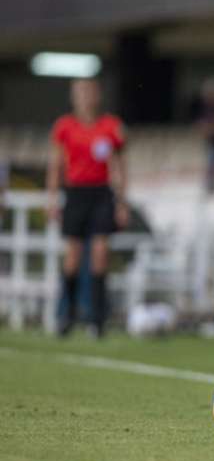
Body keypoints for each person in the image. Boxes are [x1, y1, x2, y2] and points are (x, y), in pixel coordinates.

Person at [47, 78, 129, 338]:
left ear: (98, 95)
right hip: (76, 193)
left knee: (100, 253)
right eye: (80, 92)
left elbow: (118, 166)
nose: (85, 97)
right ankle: (67, 314)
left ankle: (97, 318)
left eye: (89, 91)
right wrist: (52, 198)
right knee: (72, 256)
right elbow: (56, 164)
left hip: (101, 193)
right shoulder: (65, 126)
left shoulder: (110, 126)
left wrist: (121, 202)